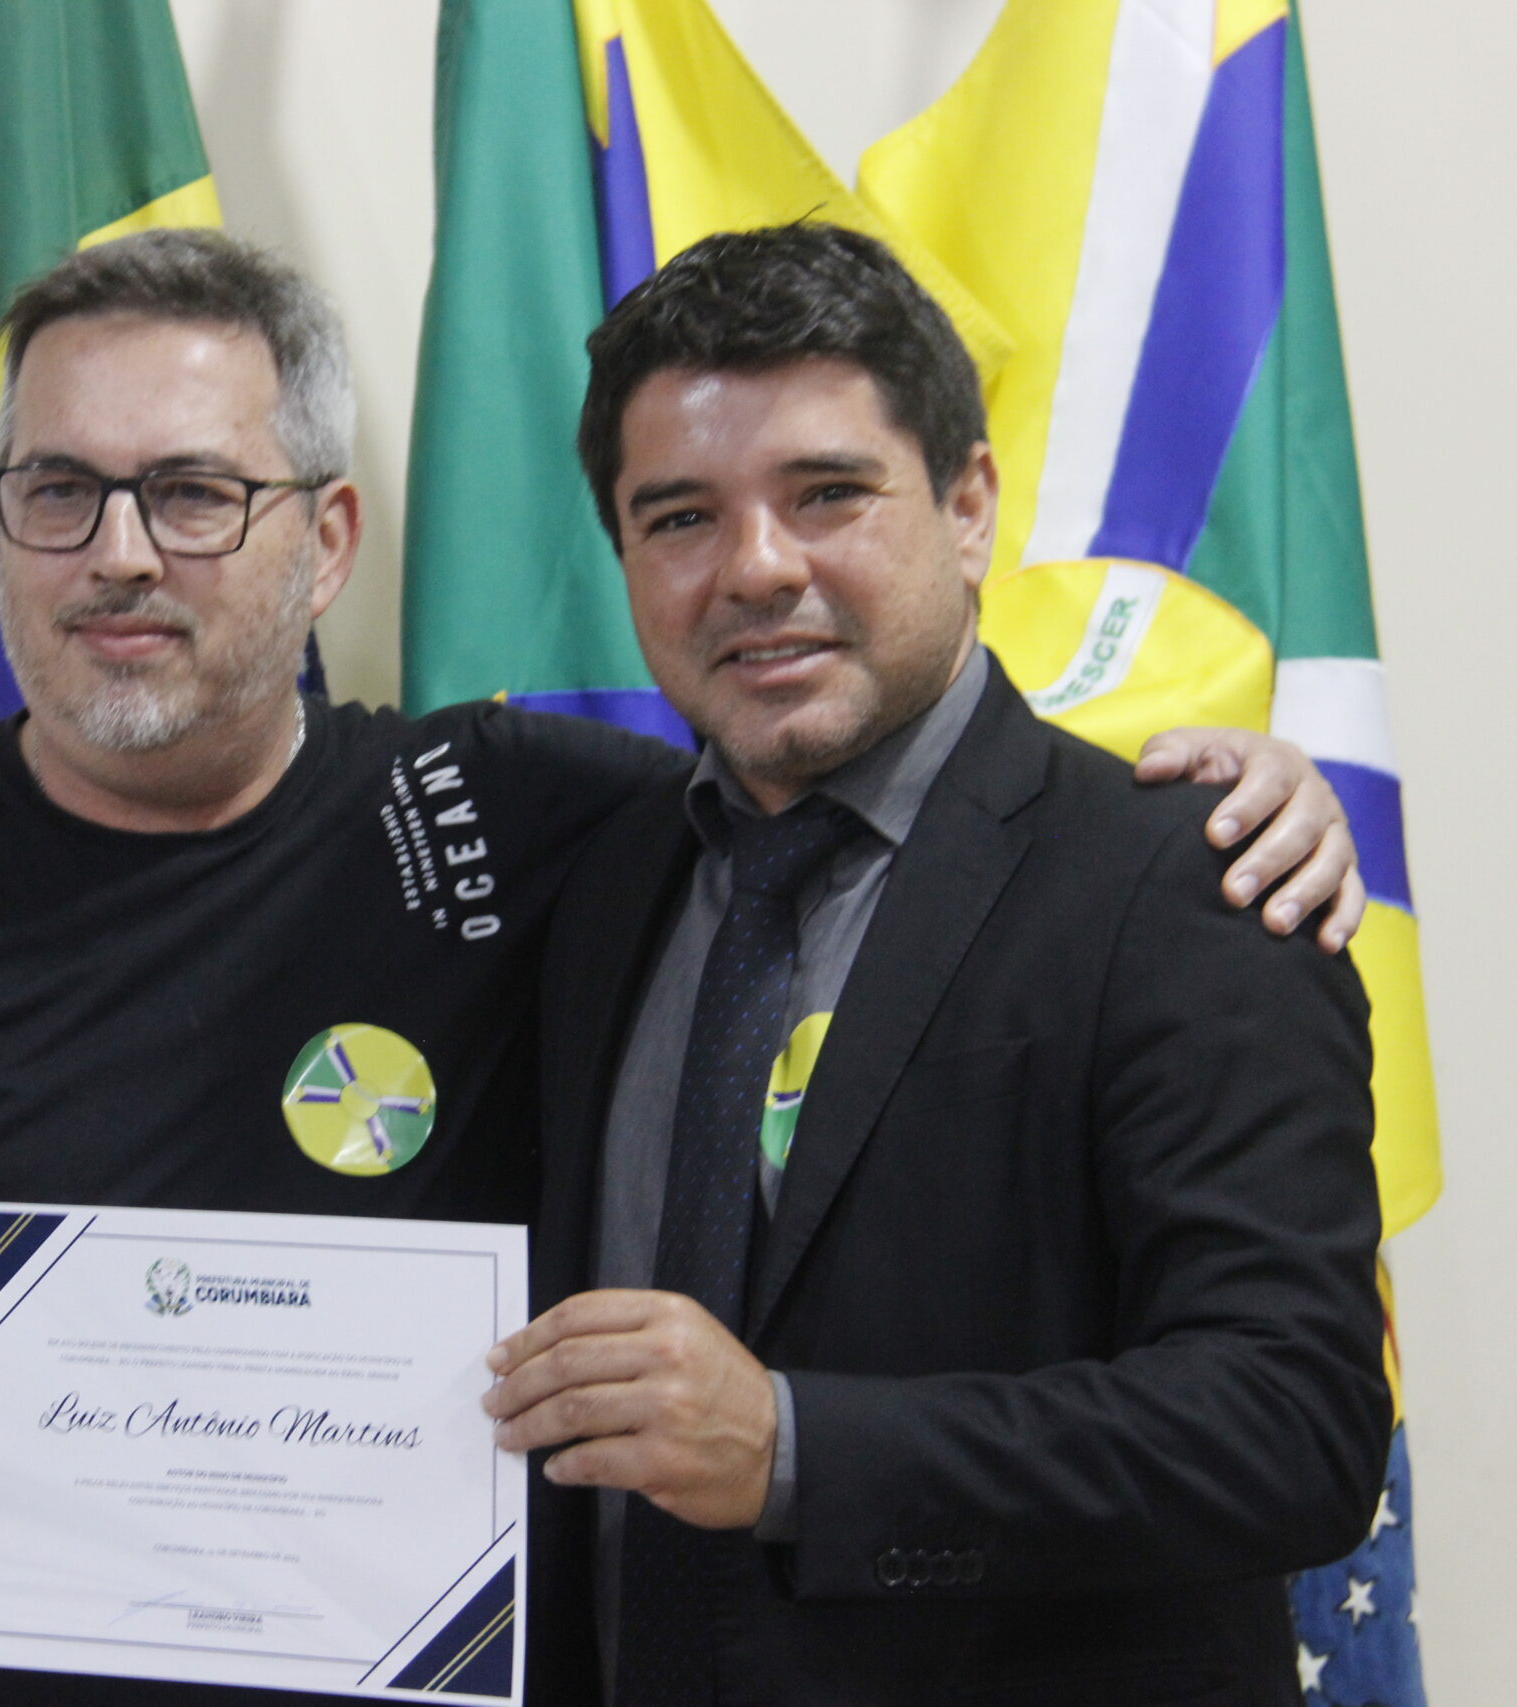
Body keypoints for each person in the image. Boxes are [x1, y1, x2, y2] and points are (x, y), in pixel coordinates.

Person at [0, 229, 1362, 1706]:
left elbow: (1291, 1410)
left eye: (194, 493)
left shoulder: (530, 822)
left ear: (326, 542)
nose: (120, 554)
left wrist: (1256, 792)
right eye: (60, 491)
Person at [484, 222, 1388, 1707]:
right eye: (681, 517)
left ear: (969, 509)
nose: (756, 568)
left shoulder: (1193, 881)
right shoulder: (596, 878)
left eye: (827, 494)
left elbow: (1289, 1427)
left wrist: (795, 1451)